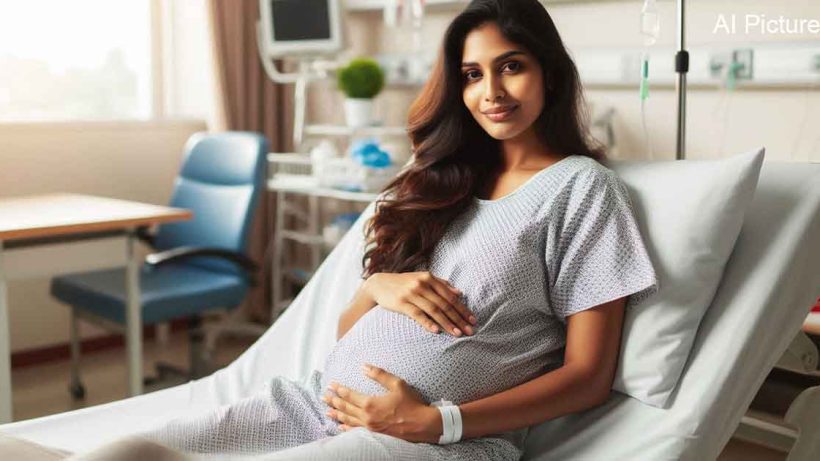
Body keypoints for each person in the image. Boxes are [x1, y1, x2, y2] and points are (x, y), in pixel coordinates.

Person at [36, 0, 658, 459]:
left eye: (511, 67)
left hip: (425, 445)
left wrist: (438, 422)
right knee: (119, 453)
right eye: (471, 74)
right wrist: (378, 287)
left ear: (549, 72)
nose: (491, 91)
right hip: (310, 406)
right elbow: (348, 334)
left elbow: (587, 375)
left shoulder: (582, 190)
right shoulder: (445, 184)